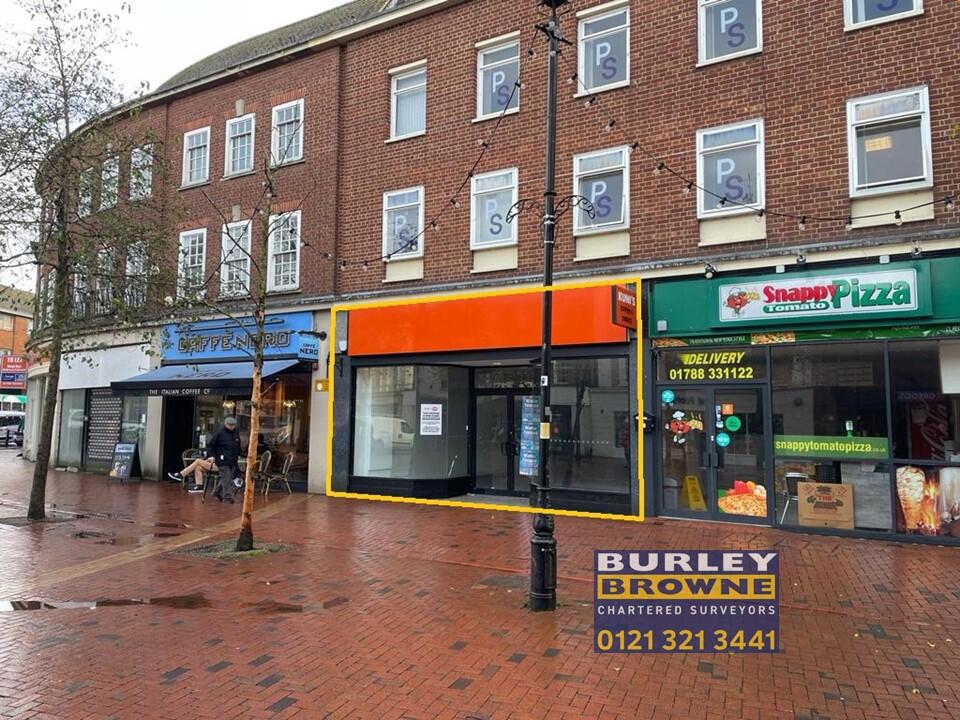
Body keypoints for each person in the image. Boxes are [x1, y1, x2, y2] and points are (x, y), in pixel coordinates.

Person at [207, 416, 242, 504]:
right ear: (225, 424)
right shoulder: (220, 433)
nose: (232, 427)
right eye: (230, 425)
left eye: (233, 425)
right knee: (226, 478)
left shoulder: (236, 433)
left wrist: (239, 453)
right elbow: (210, 445)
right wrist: (212, 455)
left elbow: (237, 444)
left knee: (228, 477)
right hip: (222, 459)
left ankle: (216, 492)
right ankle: (227, 497)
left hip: (233, 459)